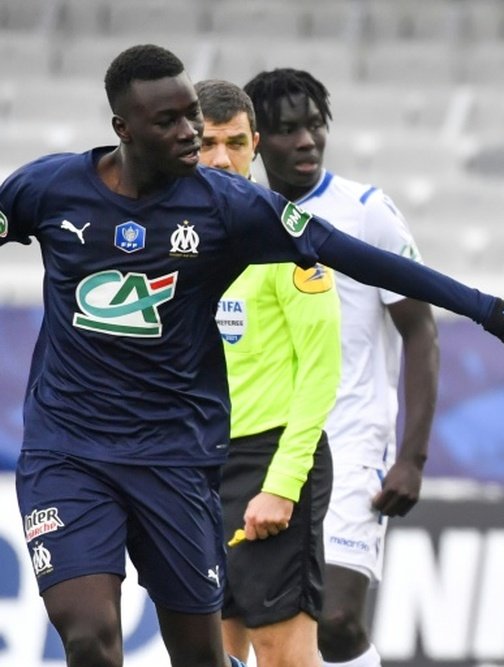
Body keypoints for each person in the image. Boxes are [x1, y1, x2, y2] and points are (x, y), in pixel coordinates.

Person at [2, 44, 504, 667]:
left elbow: (363, 259)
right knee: (89, 639)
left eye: (192, 116)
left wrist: (497, 313)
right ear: (122, 130)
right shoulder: (48, 189)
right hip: (68, 452)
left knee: (210, 657)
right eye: (171, 123)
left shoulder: (228, 209)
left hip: (174, 460)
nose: (189, 133)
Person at [243, 68, 439, 667]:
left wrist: (411, 456)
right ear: (255, 140)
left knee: (336, 620)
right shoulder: (237, 218)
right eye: (285, 129)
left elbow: (420, 329)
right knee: (263, 626)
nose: (305, 140)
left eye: (314, 125)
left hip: (352, 440)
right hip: (264, 445)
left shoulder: (366, 212)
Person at [196, 78, 340, 667]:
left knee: (283, 655)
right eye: (207, 143)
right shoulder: (174, 241)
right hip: (197, 464)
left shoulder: (285, 234)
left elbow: (322, 368)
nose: (222, 157)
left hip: (268, 461)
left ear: (255, 144)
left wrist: (282, 483)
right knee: (209, 652)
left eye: (235, 142)